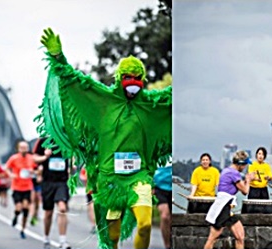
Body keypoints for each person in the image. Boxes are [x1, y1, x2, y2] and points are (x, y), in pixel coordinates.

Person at [36, 28, 171, 249]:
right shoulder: (105, 100)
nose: (133, 83)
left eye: (138, 78)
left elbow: (172, 98)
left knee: (145, 224)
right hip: (110, 180)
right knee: (112, 237)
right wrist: (59, 58)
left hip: (140, 176)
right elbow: (77, 82)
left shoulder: (150, 103)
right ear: (120, 78)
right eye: (128, 78)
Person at [202, 151, 253, 249]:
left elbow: (240, 186)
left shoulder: (228, 170)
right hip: (222, 207)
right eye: (245, 165)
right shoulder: (233, 173)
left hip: (228, 207)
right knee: (212, 238)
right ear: (240, 164)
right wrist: (249, 180)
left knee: (240, 236)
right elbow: (245, 191)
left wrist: (247, 180)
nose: (245, 167)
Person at [33, 137, 72, 249]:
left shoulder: (66, 139)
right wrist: (45, 156)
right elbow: (34, 158)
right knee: (48, 213)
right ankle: (46, 237)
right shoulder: (43, 141)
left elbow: (73, 156)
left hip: (62, 181)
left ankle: (63, 240)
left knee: (62, 208)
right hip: (48, 182)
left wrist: (72, 164)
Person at [7, 140, 36, 239]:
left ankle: (23, 229)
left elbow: (37, 169)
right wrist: (11, 174)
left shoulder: (31, 158)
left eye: (26, 148)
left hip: (27, 187)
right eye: (22, 148)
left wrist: (34, 172)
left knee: (26, 208)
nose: (24, 149)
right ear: (18, 149)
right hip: (17, 187)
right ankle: (16, 216)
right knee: (18, 207)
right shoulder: (14, 158)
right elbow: (7, 168)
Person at [153, 164, 173, 249]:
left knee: (172, 218)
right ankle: (167, 245)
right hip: (159, 188)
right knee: (165, 216)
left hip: (172, 188)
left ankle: (172, 242)